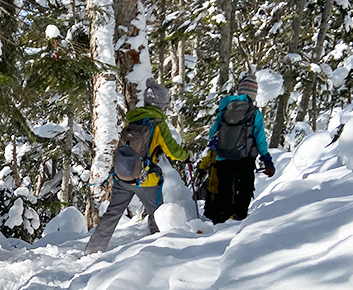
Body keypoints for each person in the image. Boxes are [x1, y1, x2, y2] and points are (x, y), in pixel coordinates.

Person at [85, 79, 190, 254]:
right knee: (157, 213)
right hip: (146, 180)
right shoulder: (158, 125)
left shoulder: (133, 120)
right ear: (162, 104)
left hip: (122, 177)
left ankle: (92, 250)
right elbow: (173, 151)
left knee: (112, 214)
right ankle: (154, 251)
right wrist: (187, 156)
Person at [204, 73, 275, 224]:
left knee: (224, 186)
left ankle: (222, 216)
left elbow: (212, 133)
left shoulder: (225, 109)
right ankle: (239, 215)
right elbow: (260, 138)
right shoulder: (254, 112)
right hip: (245, 157)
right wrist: (266, 159)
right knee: (245, 186)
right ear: (253, 94)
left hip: (223, 156)